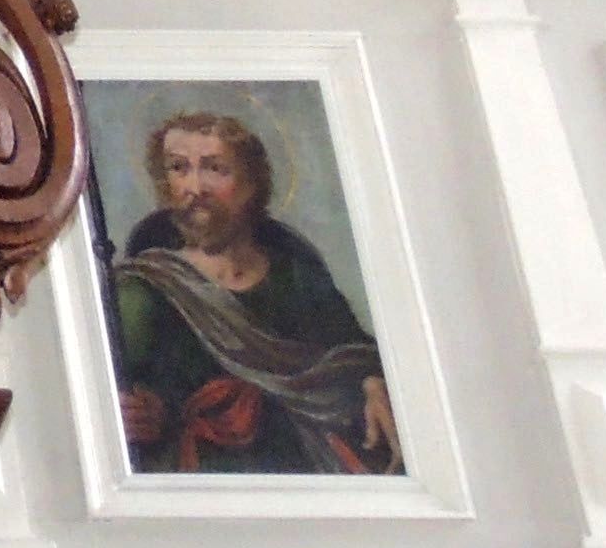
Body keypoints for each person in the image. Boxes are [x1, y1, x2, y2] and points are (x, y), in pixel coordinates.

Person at [107, 111, 401, 475]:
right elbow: (118, 389)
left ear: (251, 184)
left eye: (215, 168)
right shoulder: (143, 288)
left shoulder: (295, 275)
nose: (195, 188)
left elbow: (350, 352)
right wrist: (137, 412)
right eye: (179, 168)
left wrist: (372, 382)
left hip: (312, 469)